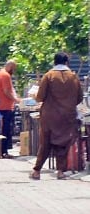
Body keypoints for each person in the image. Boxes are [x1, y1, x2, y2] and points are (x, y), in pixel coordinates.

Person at [30, 52, 83, 180]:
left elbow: (40, 97)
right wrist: (68, 105)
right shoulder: (73, 77)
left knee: (45, 143)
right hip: (67, 116)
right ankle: (60, 171)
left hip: (49, 116)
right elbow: (79, 97)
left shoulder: (48, 76)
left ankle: (37, 171)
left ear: (54, 62)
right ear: (66, 63)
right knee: (63, 143)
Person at [0, 60, 20, 158]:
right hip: (6, 107)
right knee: (6, 129)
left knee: (2, 129)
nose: (14, 71)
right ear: (10, 67)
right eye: (13, 69)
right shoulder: (6, 76)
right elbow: (6, 91)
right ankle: (4, 151)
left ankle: (1, 151)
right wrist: (16, 99)